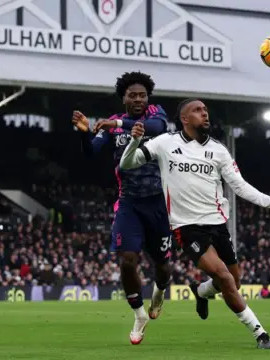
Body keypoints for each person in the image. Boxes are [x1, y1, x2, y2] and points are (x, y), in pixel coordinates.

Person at [120, 98, 270, 349]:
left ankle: (202, 291)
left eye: (205, 110)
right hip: (187, 227)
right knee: (225, 278)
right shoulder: (165, 143)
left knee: (233, 282)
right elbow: (126, 164)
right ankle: (260, 333)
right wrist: (133, 142)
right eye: (197, 111)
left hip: (217, 224)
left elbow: (239, 186)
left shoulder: (218, 150)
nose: (204, 114)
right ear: (184, 119)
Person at [71, 72, 172, 345]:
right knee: (127, 261)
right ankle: (139, 315)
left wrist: (116, 122)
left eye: (142, 95)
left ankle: (159, 294)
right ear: (124, 98)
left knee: (163, 268)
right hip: (128, 203)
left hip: (158, 203)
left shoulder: (155, 114)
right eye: (133, 95)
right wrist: (83, 135)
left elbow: (157, 128)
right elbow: (91, 151)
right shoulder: (113, 127)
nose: (139, 99)